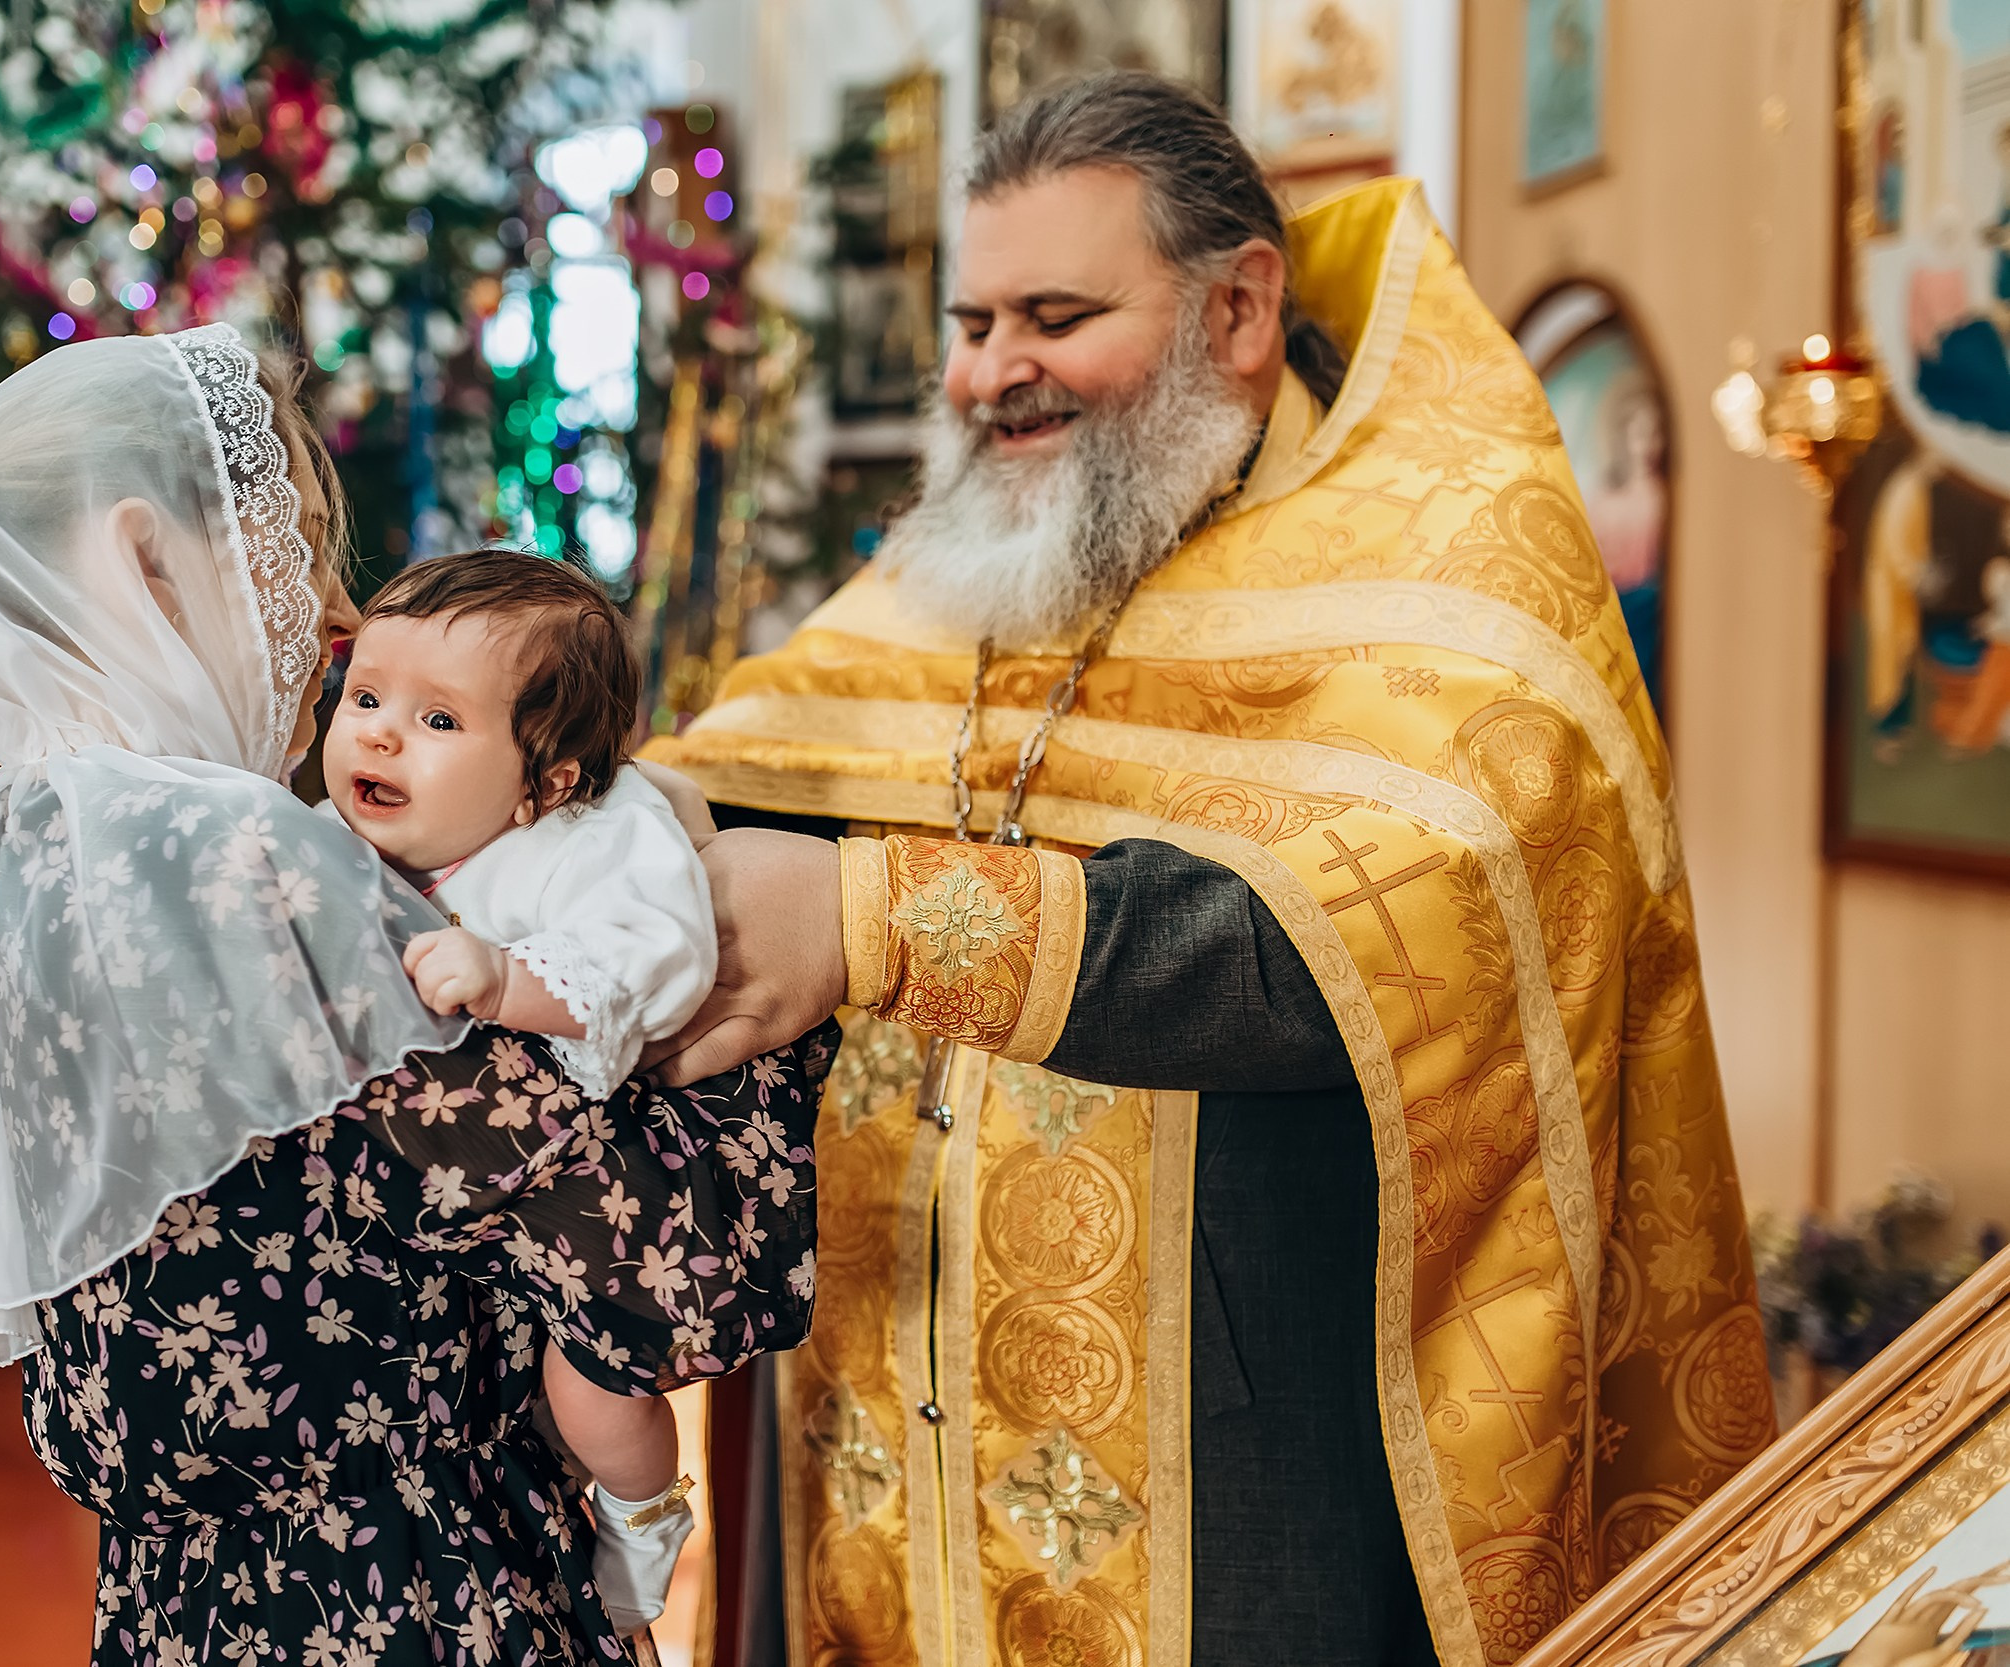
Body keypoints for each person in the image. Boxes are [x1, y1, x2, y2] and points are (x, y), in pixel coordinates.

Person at [645, 72, 1773, 1667]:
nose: (989, 374)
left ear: (1241, 306)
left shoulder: (1445, 567)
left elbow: (1351, 947)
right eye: (970, 323)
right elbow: (773, 756)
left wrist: (877, 918)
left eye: (1053, 313)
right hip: (893, 1431)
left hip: (1239, 1493)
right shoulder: (987, 546)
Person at [0, 322, 830, 1666]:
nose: (331, 613)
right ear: (144, 557)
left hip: (190, 1599)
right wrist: (768, 944)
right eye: (296, 547)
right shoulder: (246, 860)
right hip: (408, 1588)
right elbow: (644, 1254)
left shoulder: (26, 833)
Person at [327, 549, 735, 1620]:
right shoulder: (343, 834)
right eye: (365, 695)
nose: (376, 731)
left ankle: (644, 1522)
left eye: (439, 721)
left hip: (598, 1175)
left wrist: (513, 977)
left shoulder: (601, 830)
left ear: (547, 779)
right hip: (458, 1184)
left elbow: (662, 949)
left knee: (589, 1386)